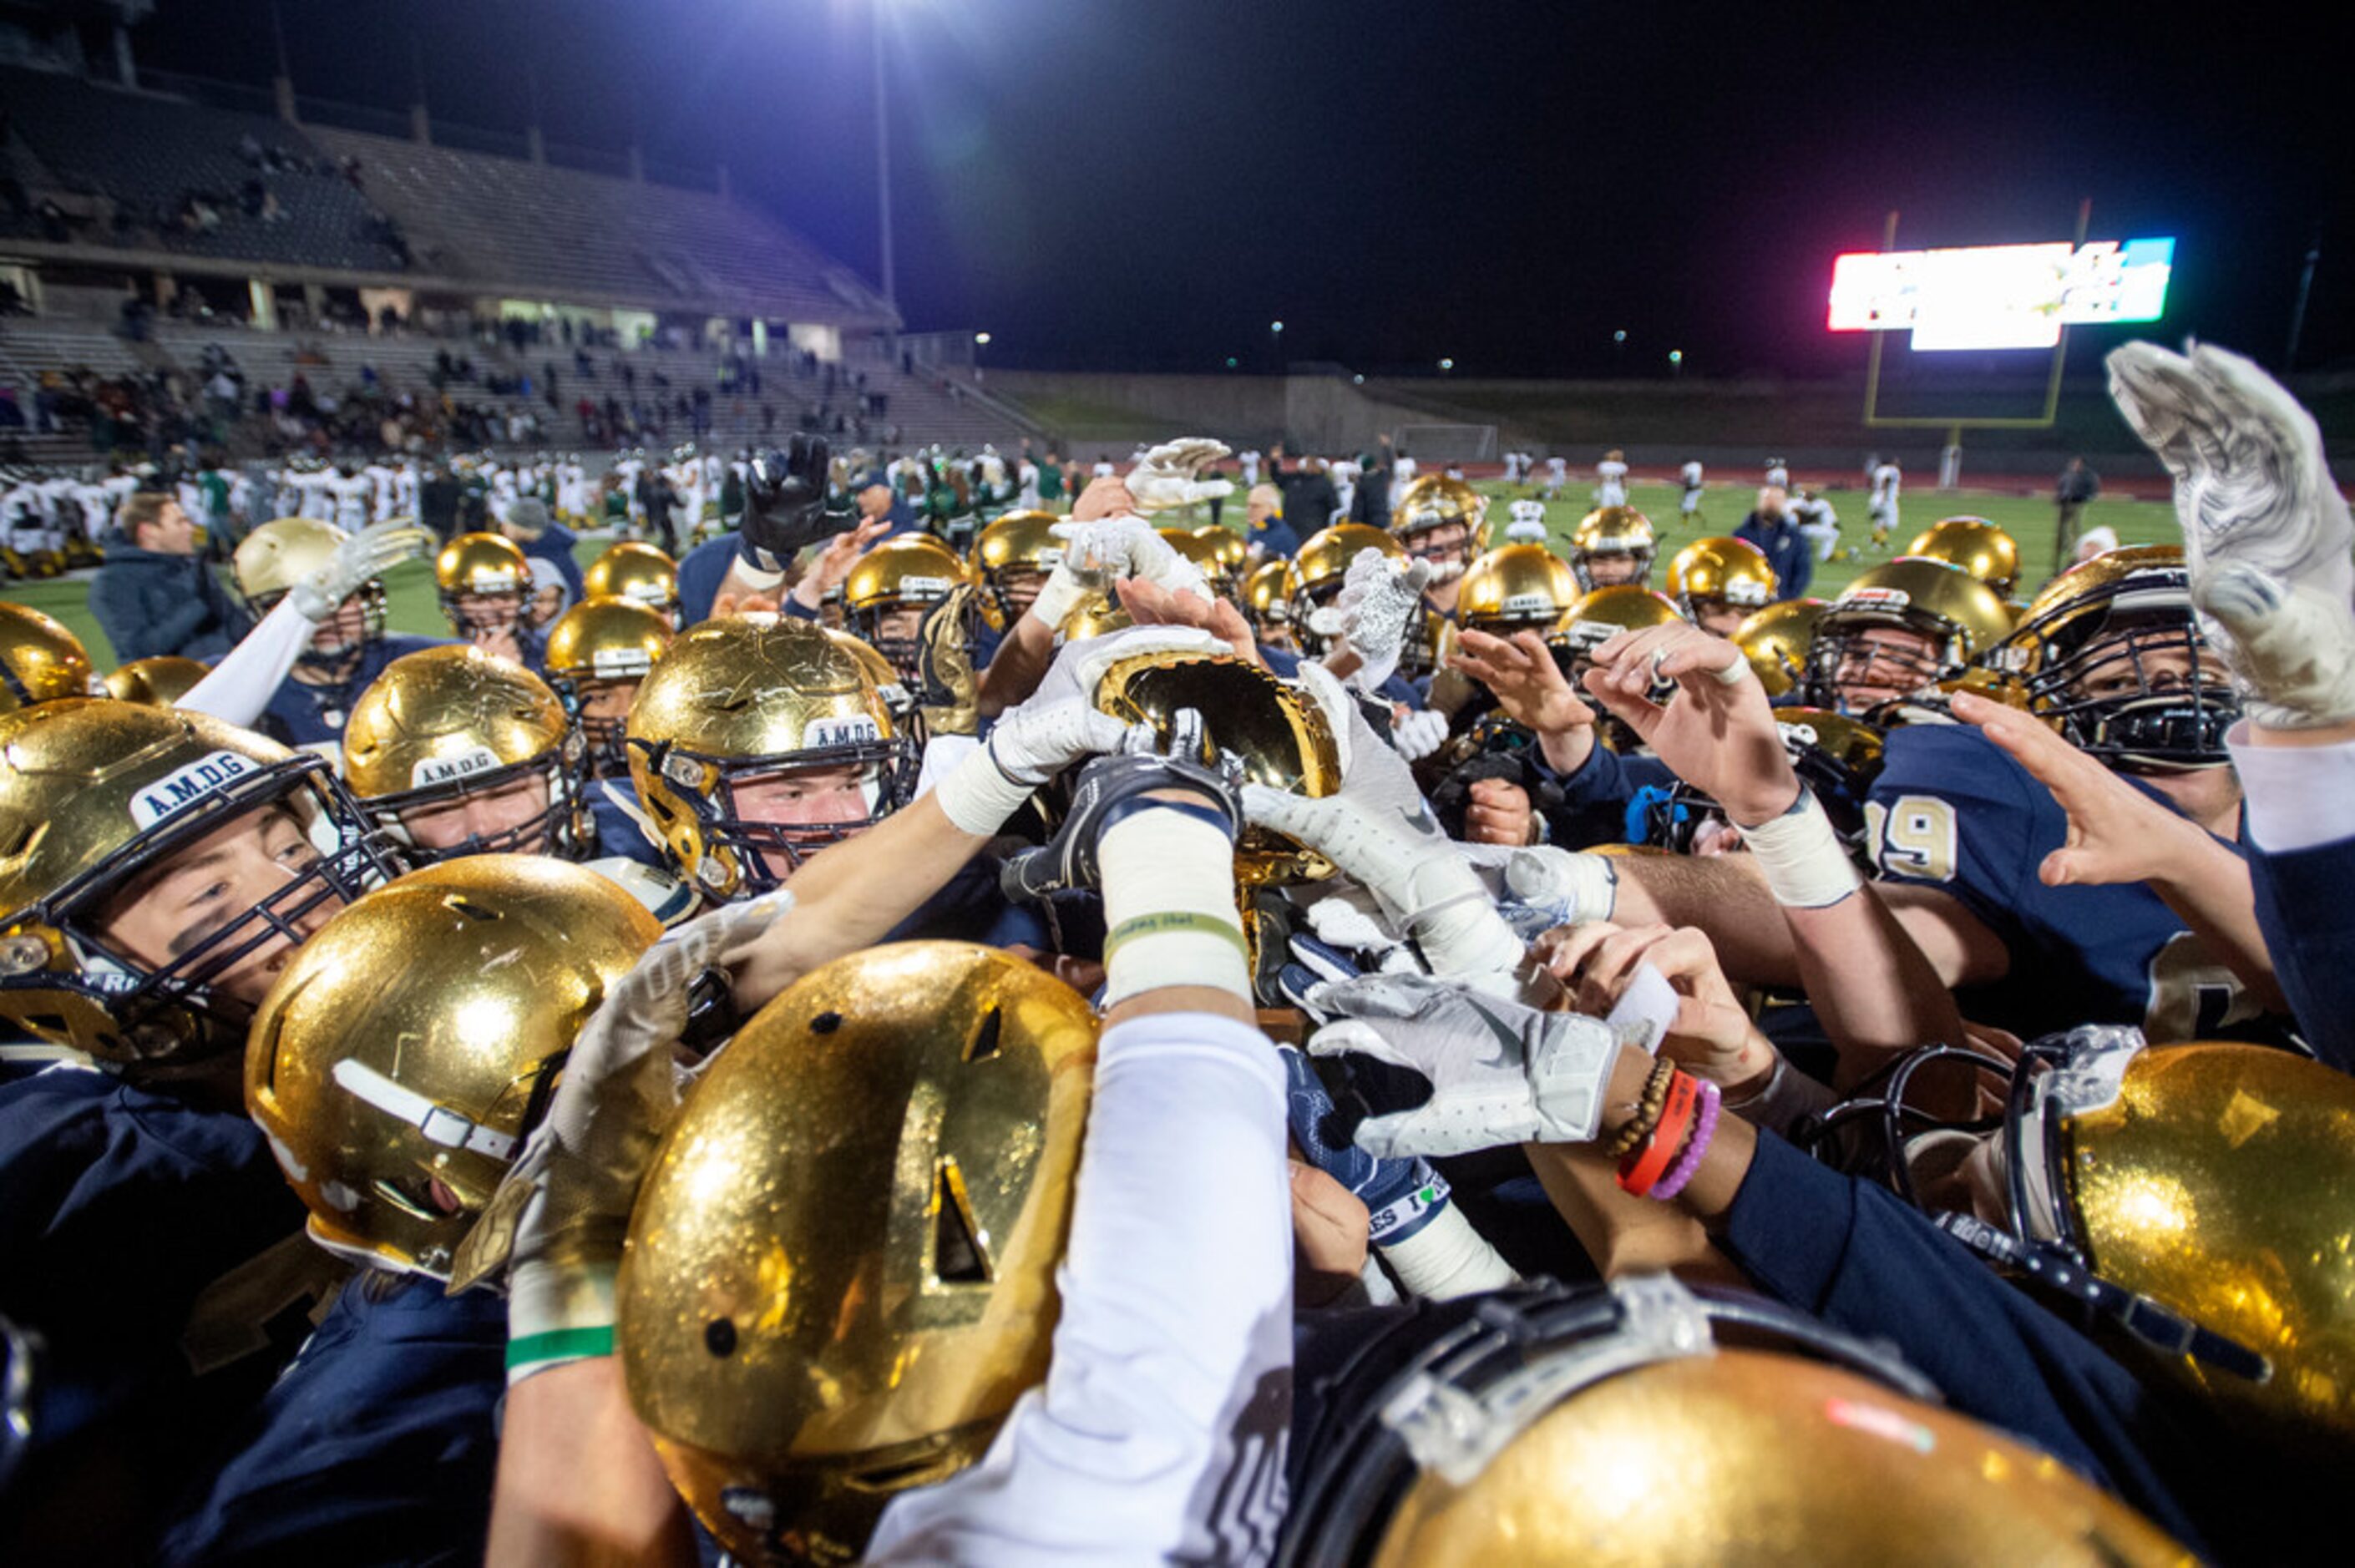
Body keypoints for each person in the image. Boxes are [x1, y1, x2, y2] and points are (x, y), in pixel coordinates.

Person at [87, 491, 253, 663]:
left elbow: (241, 631)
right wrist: (200, 604)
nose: (190, 528)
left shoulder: (191, 568)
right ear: (149, 531)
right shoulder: (113, 582)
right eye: (180, 522)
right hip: (175, 684)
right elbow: (140, 651)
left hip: (228, 672)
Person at [499, 495, 586, 612]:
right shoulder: (553, 547)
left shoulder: (539, 558)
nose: (502, 527)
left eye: (507, 522)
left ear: (520, 527)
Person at [1733, 485, 1813, 600]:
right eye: (1767, 498)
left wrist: (1788, 597)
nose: (1771, 503)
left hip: (1780, 604)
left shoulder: (1795, 537)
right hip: (1747, 603)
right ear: (1759, 501)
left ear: (1784, 503)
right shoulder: (1740, 535)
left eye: (1777, 499)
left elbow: (1803, 572)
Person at [2055, 455, 2101, 564]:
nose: (2075, 465)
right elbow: (2061, 486)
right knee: (2062, 526)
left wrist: (2087, 497)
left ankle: (2075, 546)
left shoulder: (2086, 476)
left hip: (2077, 502)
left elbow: (2092, 487)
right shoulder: (2068, 475)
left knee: (2075, 526)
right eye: (2074, 463)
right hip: (2064, 502)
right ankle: (2064, 544)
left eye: (2078, 463)